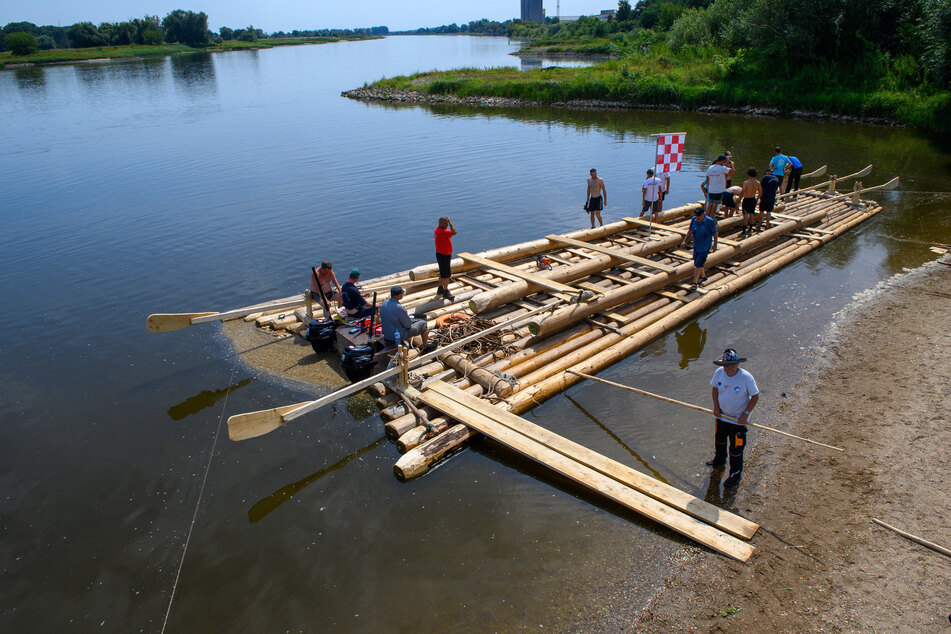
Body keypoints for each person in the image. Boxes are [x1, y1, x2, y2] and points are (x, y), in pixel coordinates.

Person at [707, 348, 759, 488]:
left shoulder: (746, 377)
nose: (729, 369)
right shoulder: (719, 373)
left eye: (732, 365)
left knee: (736, 450)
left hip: (738, 421)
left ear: (737, 364)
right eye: (726, 366)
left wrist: (745, 414)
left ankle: (735, 474)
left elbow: (755, 397)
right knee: (720, 441)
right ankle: (719, 460)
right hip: (722, 417)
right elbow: (715, 389)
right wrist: (716, 407)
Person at [379, 285, 435, 352]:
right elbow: (408, 325)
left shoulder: (384, 303)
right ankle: (426, 346)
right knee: (423, 324)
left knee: (412, 318)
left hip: (387, 334)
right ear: (397, 295)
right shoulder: (399, 308)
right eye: (401, 293)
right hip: (396, 336)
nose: (402, 294)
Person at [680, 206, 718, 291]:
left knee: (698, 264)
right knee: (697, 263)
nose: (697, 218)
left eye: (699, 216)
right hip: (696, 245)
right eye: (696, 216)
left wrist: (715, 245)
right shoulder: (694, 219)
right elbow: (690, 230)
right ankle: (703, 276)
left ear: (703, 214)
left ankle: (695, 283)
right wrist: (685, 240)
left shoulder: (709, 222)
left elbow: (715, 234)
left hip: (705, 247)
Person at [434, 216, 458, 301]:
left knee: (442, 273)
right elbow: (454, 232)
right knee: (447, 275)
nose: (447, 225)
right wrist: (451, 223)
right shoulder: (442, 231)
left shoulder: (437, 229)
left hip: (440, 254)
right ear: (440, 223)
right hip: (444, 255)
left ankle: (440, 288)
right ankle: (445, 291)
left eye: (447, 223)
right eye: (445, 223)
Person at [739, 168, 763, 237]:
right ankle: (750, 230)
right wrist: (757, 198)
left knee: (745, 215)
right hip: (753, 199)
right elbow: (760, 193)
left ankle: (744, 231)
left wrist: (739, 200)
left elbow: (743, 192)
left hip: (746, 199)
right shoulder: (757, 182)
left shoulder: (746, 182)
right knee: (752, 214)